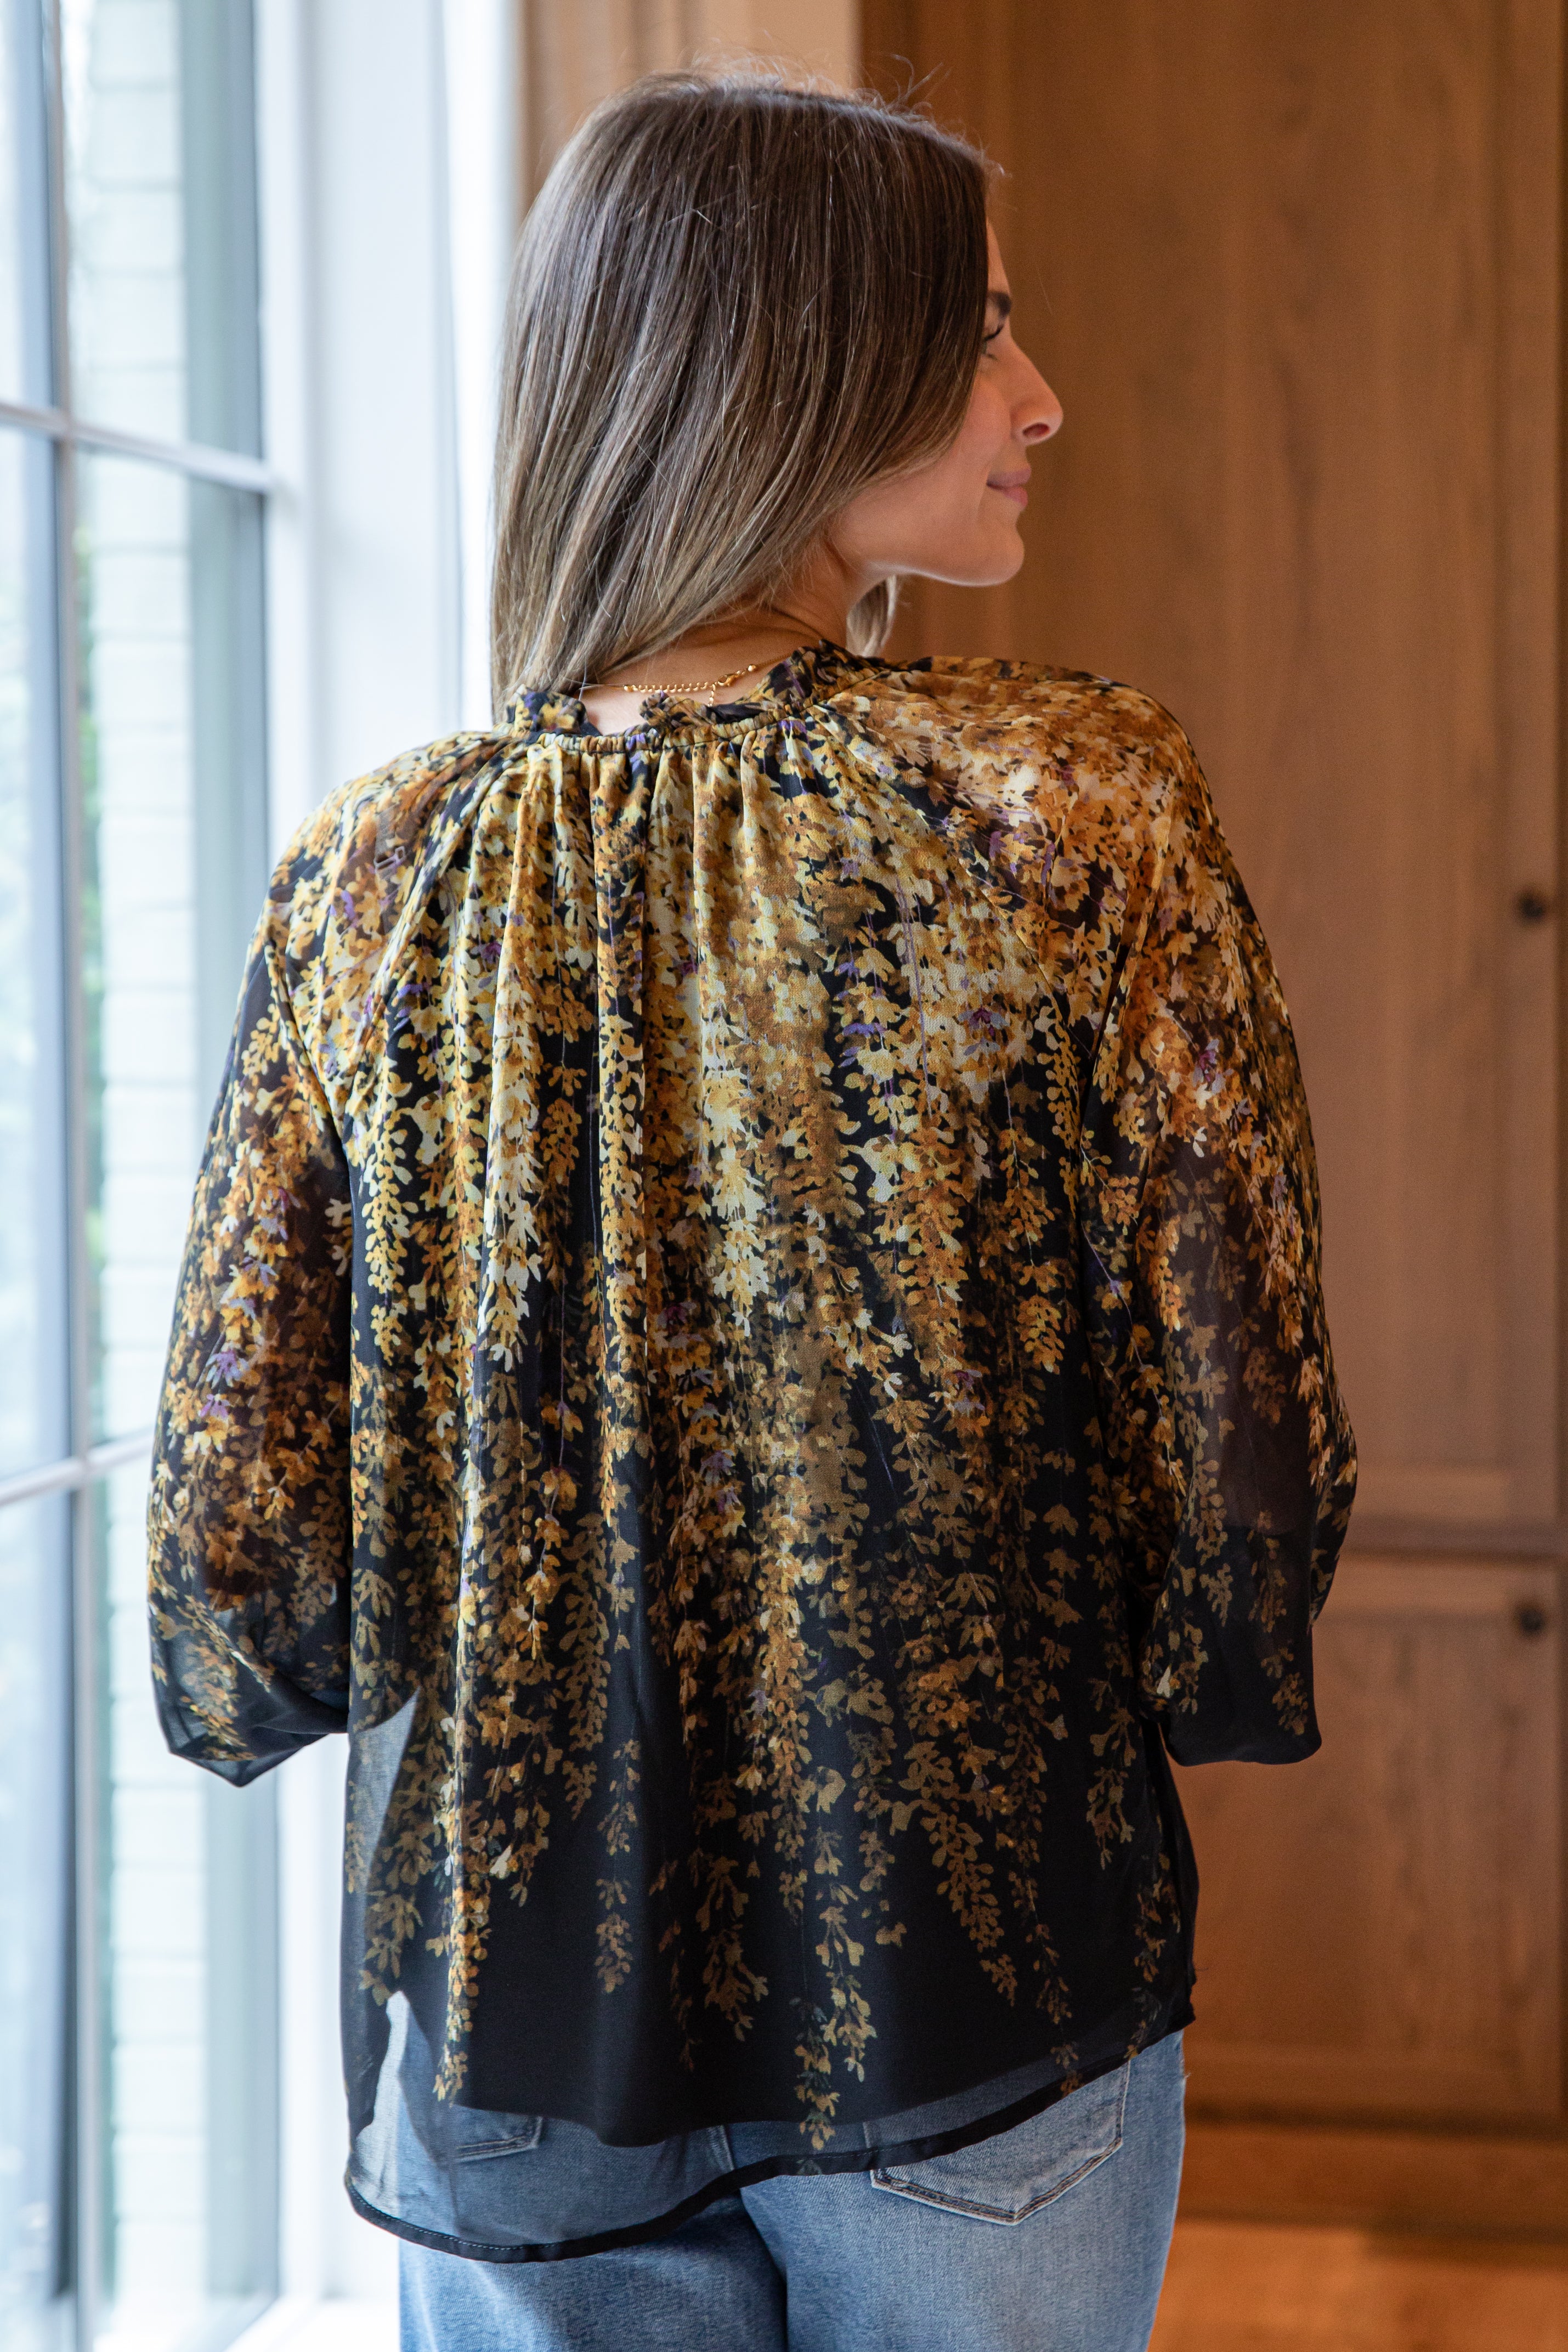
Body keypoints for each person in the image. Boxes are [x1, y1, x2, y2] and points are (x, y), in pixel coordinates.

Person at [146, 70, 1356, 2352]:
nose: (1040, 397)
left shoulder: (370, 874)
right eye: (977, 333)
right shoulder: (1069, 813)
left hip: (520, 2002)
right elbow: (1235, 1433)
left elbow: (239, 1552)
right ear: (793, 362)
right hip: (969, 1963)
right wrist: (1203, 1656)